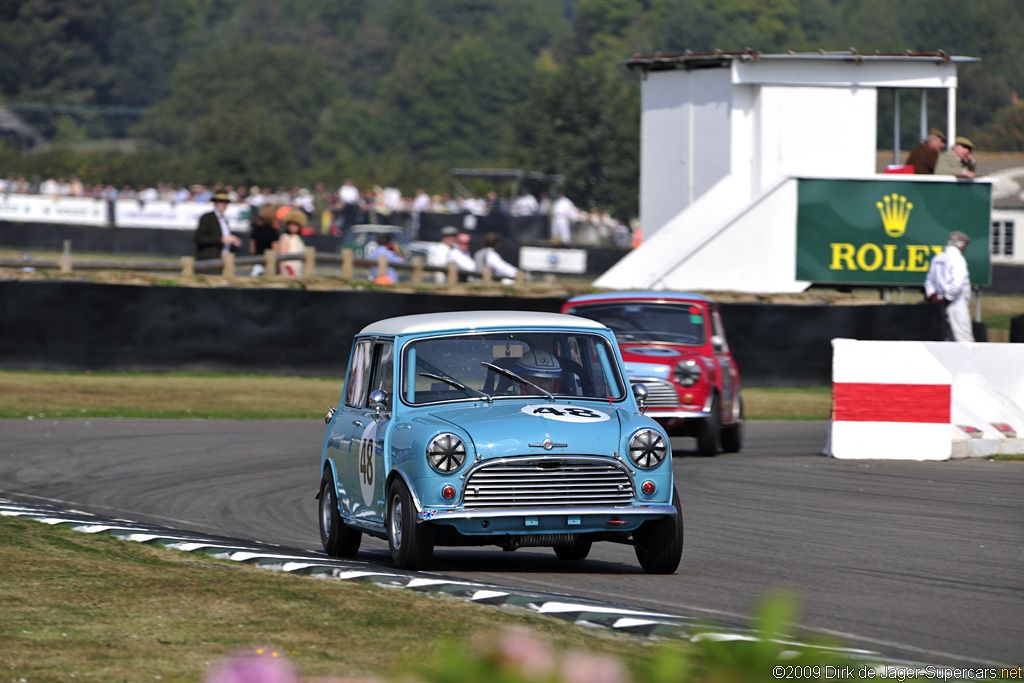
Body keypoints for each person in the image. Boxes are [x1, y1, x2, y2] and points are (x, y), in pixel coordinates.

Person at [924, 230, 973, 342]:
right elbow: (956, 284)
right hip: (956, 303)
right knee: (964, 338)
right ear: (961, 244)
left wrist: (935, 298)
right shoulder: (958, 259)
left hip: (940, 304)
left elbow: (929, 282)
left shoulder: (938, 258)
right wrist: (947, 298)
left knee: (947, 339)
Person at [194, 190, 242, 261]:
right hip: (209, 259)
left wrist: (234, 242)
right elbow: (198, 238)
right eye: (221, 201)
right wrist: (221, 239)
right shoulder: (207, 217)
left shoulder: (224, 220)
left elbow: (225, 243)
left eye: (226, 202)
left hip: (224, 259)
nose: (224, 204)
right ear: (215, 203)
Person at [248, 205, 279, 276]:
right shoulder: (273, 231)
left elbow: (252, 249)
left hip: (257, 261)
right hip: (269, 263)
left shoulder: (256, 229)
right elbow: (276, 249)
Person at [277, 210, 307, 277]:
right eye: (291, 223)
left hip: (298, 270)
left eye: (295, 224)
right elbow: (282, 257)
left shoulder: (299, 239)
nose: (293, 226)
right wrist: (284, 274)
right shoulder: (285, 237)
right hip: (289, 270)